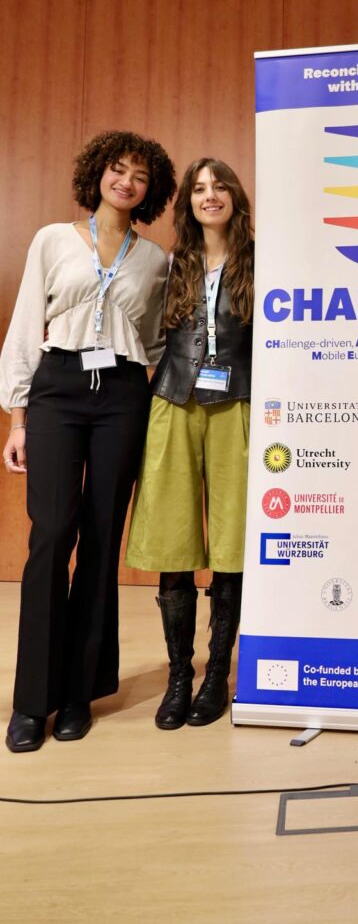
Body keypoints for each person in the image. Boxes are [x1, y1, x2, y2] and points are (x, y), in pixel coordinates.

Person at [0, 130, 176, 753]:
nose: (126, 182)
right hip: (58, 387)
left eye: (139, 176)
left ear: (150, 190)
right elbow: (27, 322)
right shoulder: (53, 238)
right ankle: (31, 701)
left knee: (103, 536)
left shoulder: (155, 259)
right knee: (51, 535)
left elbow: (155, 343)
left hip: (123, 394)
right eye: (117, 170)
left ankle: (79, 693)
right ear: (97, 174)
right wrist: (16, 418)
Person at [126, 158, 254, 730]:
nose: (210, 195)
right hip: (173, 402)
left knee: (232, 542)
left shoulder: (263, 261)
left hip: (240, 404)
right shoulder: (169, 263)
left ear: (235, 196)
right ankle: (180, 675)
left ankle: (217, 675)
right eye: (199, 188)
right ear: (187, 202)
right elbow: (147, 335)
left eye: (219, 185)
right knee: (174, 540)